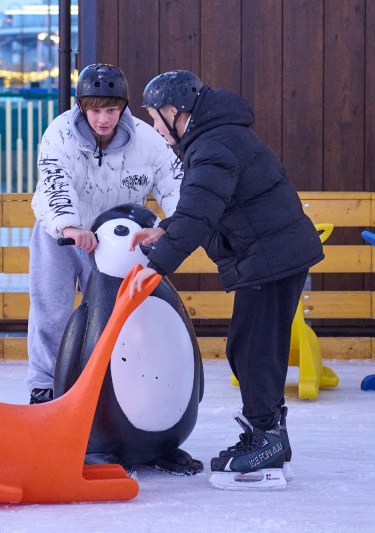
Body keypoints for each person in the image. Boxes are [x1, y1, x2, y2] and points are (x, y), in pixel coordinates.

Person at [129, 71, 324, 486]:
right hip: (271, 254)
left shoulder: (213, 145)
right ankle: (269, 435)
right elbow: (204, 204)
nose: (155, 129)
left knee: (254, 349)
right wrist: (166, 229)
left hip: (270, 256)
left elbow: (200, 215)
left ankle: (266, 441)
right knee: (253, 346)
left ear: (174, 111)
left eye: (155, 119)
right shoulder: (216, 137)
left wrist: (155, 267)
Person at [27, 64, 182, 405]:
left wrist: (175, 225)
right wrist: (69, 226)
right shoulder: (60, 133)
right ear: (81, 107)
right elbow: (54, 181)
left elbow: (174, 183)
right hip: (61, 235)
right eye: (95, 110)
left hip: (116, 240)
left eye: (111, 110)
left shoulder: (147, 140)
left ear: (123, 107)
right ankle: (45, 386)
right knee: (51, 311)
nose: (103, 119)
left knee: (114, 313)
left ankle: (111, 386)